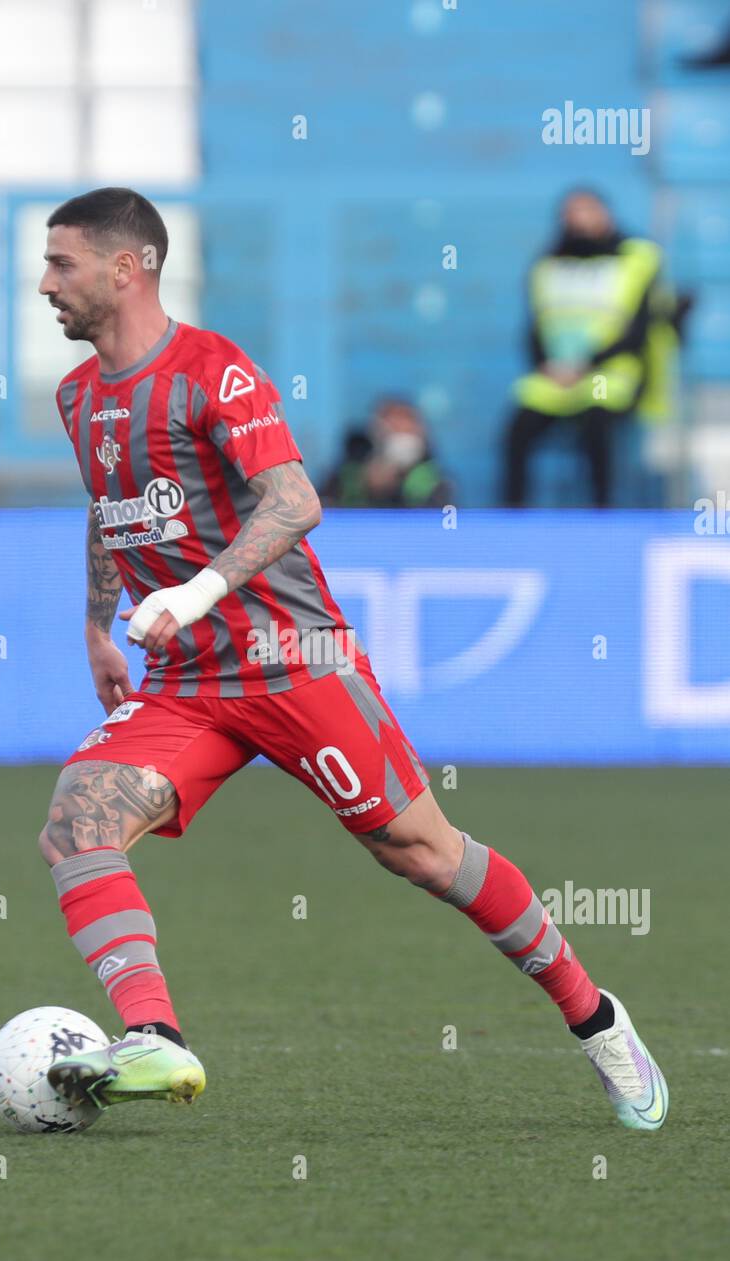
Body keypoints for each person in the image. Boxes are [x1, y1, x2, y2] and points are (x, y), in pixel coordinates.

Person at [36, 187, 667, 1132]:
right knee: (76, 820)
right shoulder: (78, 395)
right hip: (189, 686)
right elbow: (105, 503)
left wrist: (195, 590)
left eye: (63, 263)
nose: (46, 283)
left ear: (130, 269)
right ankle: (154, 1034)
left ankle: (595, 1016)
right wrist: (97, 625)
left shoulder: (216, 372)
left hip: (296, 661)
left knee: (421, 853)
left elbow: (293, 501)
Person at [501, 190, 682, 508]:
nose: (579, 219)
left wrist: (587, 364)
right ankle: (512, 520)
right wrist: (545, 364)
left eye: (587, 210)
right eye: (572, 212)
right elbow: (534, 325)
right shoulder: (547, 264)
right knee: (516, 432)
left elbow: (639, 330)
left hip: (611, 374)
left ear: (605, 214)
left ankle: (601, 517)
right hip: (554, 376)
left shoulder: (638, 259)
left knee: (596, 426)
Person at [321, 398, 451, 507]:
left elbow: (436, 524)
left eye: (405, 423)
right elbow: (321, 512)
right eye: (391, 423)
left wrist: (397, 484)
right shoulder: (347, 474)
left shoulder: (434, 480)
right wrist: (366, 485)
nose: (398, 428)